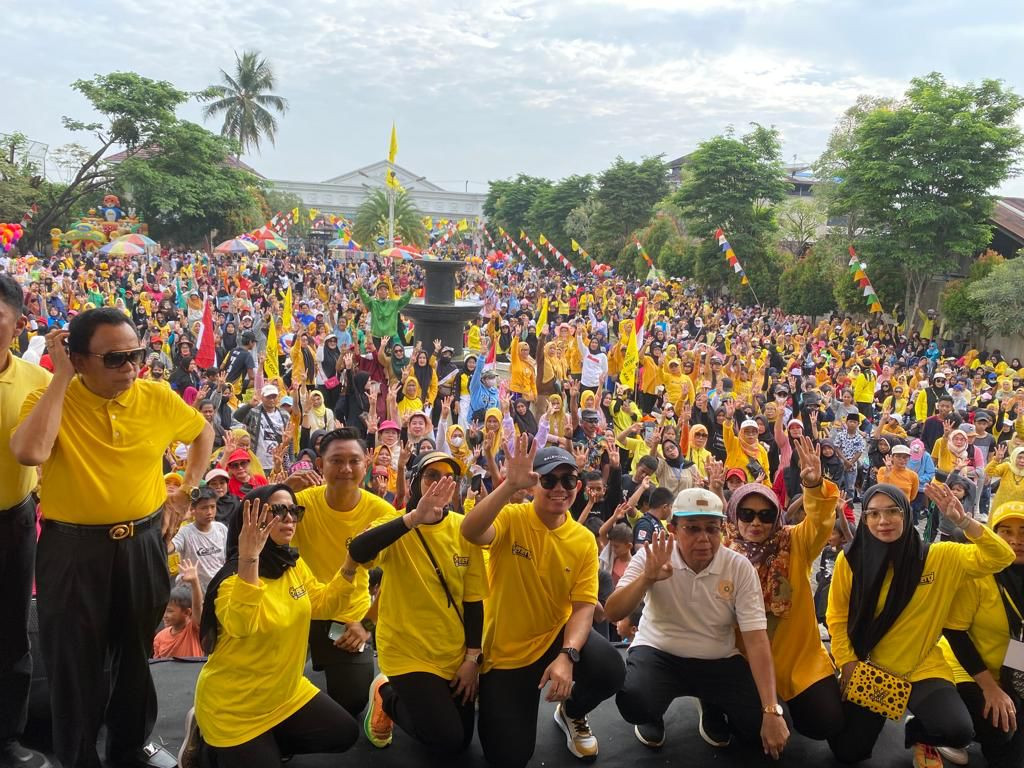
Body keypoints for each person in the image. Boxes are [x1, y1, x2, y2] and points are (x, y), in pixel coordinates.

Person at [11, 307, 214, 768]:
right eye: (115, 359)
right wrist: (60, 379)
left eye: (136, 355)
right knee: (74, 665)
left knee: (136, 653)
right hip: (73, 549)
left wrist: (187, 491)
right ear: (78, 359)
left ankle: (132, 748)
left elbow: (202, 432)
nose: (130, 368)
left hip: (143, 543)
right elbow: (29, 451)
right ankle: (79, 758)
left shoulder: (157, 397)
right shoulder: (51, 399)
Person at [825, 481, 1016, 766]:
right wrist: (848, 663)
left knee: (957, 730)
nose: (883, 521)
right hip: (871, 668)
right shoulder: (850, 561)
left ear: (906, 512)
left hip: (921, 668)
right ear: (864, 518)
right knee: (848, 752)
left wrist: (963, 521)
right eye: (873, 514)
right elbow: (837, 617)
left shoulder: (939, 558)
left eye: (892, 511)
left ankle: (921, 733)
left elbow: (1002, 556)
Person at [461, 439, 626, 768]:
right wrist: (509, 486)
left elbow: (582, 607)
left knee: (611, 670)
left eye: (567, 481)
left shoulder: (582, 541)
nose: (558, 489)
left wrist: (568, 655)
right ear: (536, 483)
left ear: (577, 487)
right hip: (507, 652)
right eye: (549, 480)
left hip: (554, 635)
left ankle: (571, 713)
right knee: (509, 757)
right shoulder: (512, 518)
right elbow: (471, 530)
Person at [606, 488, 791, 758]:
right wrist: (647, 578)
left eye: (712, 529)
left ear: (722, 530)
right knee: (636, 703)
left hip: (717, 658)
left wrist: (771, 710)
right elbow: (613, 611)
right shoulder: (651, 556)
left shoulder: (739, 567)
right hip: (659, 652)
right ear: (673, 529)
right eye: (692, 529)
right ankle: (652, 714)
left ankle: (710, 704)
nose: (704, 539)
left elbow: (756, 639)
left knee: (759, 727)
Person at [184, 486, 361, 768]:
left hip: (286, 693)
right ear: (249, 520)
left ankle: (264, 745)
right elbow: (242, 625)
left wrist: (352, 562)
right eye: (279, 510)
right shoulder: (231, 580)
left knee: (345, 734)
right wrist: (249, 558)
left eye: (294, 510)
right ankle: (207, 744)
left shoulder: (292, 564)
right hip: (236, 708)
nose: (289, 517)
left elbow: (325, 604)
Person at [350, 452, 486, 756]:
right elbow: (358, 552)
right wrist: (412, 518)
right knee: (447, 740)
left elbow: (474, 599)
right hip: (406, 650)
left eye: (448, 478)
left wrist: (471, 660)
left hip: (451, 650)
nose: (439, 483)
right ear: (415, 482)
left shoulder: (465, 530)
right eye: (431, 476)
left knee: (462, 741)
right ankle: (386, 694)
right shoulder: (395, 523)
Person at [723, 436, 844, 742]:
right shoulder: (723, 554)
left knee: (825, 724)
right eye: (746, 514)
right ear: (734, 516)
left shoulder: (793, 541)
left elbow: (819, 522)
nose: (756, 522)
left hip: (799, 661)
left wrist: (814, 486)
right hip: (746, 666)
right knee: (753, 736)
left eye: (765, 515)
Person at [290, 427, 395, 718]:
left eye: (354, 461)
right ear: (320, 464)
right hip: (296, 610)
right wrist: (285, 490)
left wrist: (368, 624)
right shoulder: (301, 503)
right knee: (267, 688)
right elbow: (256, 538)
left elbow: (398, 579)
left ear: (367, 463)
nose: (345, 469)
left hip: (348, 618)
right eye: (336, 461)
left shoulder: (382, 513)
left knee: (351, 703)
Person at [0, 274, 51, 768]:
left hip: (14, 523)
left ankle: (7, 741)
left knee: (13, 635)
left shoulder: (39, 383)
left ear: (17, 325)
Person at [941, 500, 1024, 768]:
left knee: (1010, 754)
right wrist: (990, 686)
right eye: (1006, 532)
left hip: (1011, 666)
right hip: (964, 668)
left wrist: (1009, 685)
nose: (1016, 540)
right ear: (993, 535)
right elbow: (954, 632)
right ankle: (934, 727)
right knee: (1001, 730)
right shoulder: (979, 573)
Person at [168, 486, 228, 593]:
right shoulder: (185, 532)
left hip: (218, 588)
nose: (209, 512)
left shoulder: (221, 529)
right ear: (192, 509)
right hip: (191, 591)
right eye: (204, 508)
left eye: (212, 507)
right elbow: (168, 548)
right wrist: (177, 521)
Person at [153, 559, 204, 659]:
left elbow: (198, 607)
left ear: (187, 612)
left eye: (170, 611)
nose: (165, 615)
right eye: (164, 611)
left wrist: (194, 582)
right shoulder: (159, 638)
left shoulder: (192, 630)